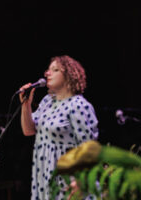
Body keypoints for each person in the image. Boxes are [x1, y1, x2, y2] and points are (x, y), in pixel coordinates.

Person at [19, 55, 99, 200]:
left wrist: (81, 180)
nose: (47, 73)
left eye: (55, 70)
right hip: (45, 174)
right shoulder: (47, 102)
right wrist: (26, 104)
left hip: (69, 178)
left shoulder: (78, 105)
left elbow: (89, 148)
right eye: (48, 70)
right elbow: (28, 130)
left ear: (69, 76)